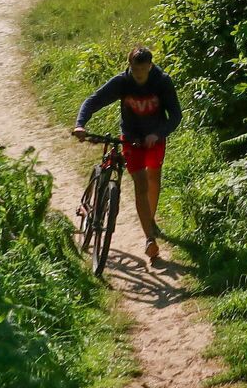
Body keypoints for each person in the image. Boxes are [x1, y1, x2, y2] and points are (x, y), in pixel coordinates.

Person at [72, 46, 182, 262]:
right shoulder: (122, 82)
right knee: (140, 185)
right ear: (130, 66)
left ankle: (149, 220)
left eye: (142, 70)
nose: (138, 75)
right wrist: (80, 124)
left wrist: (158, 133)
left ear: (150, 66)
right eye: (134, 70)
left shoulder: (162, 82)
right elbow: (94, 101)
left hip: (155, 139)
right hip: (131, 137)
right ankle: (150, 238)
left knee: (153, 179)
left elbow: (176, 115)